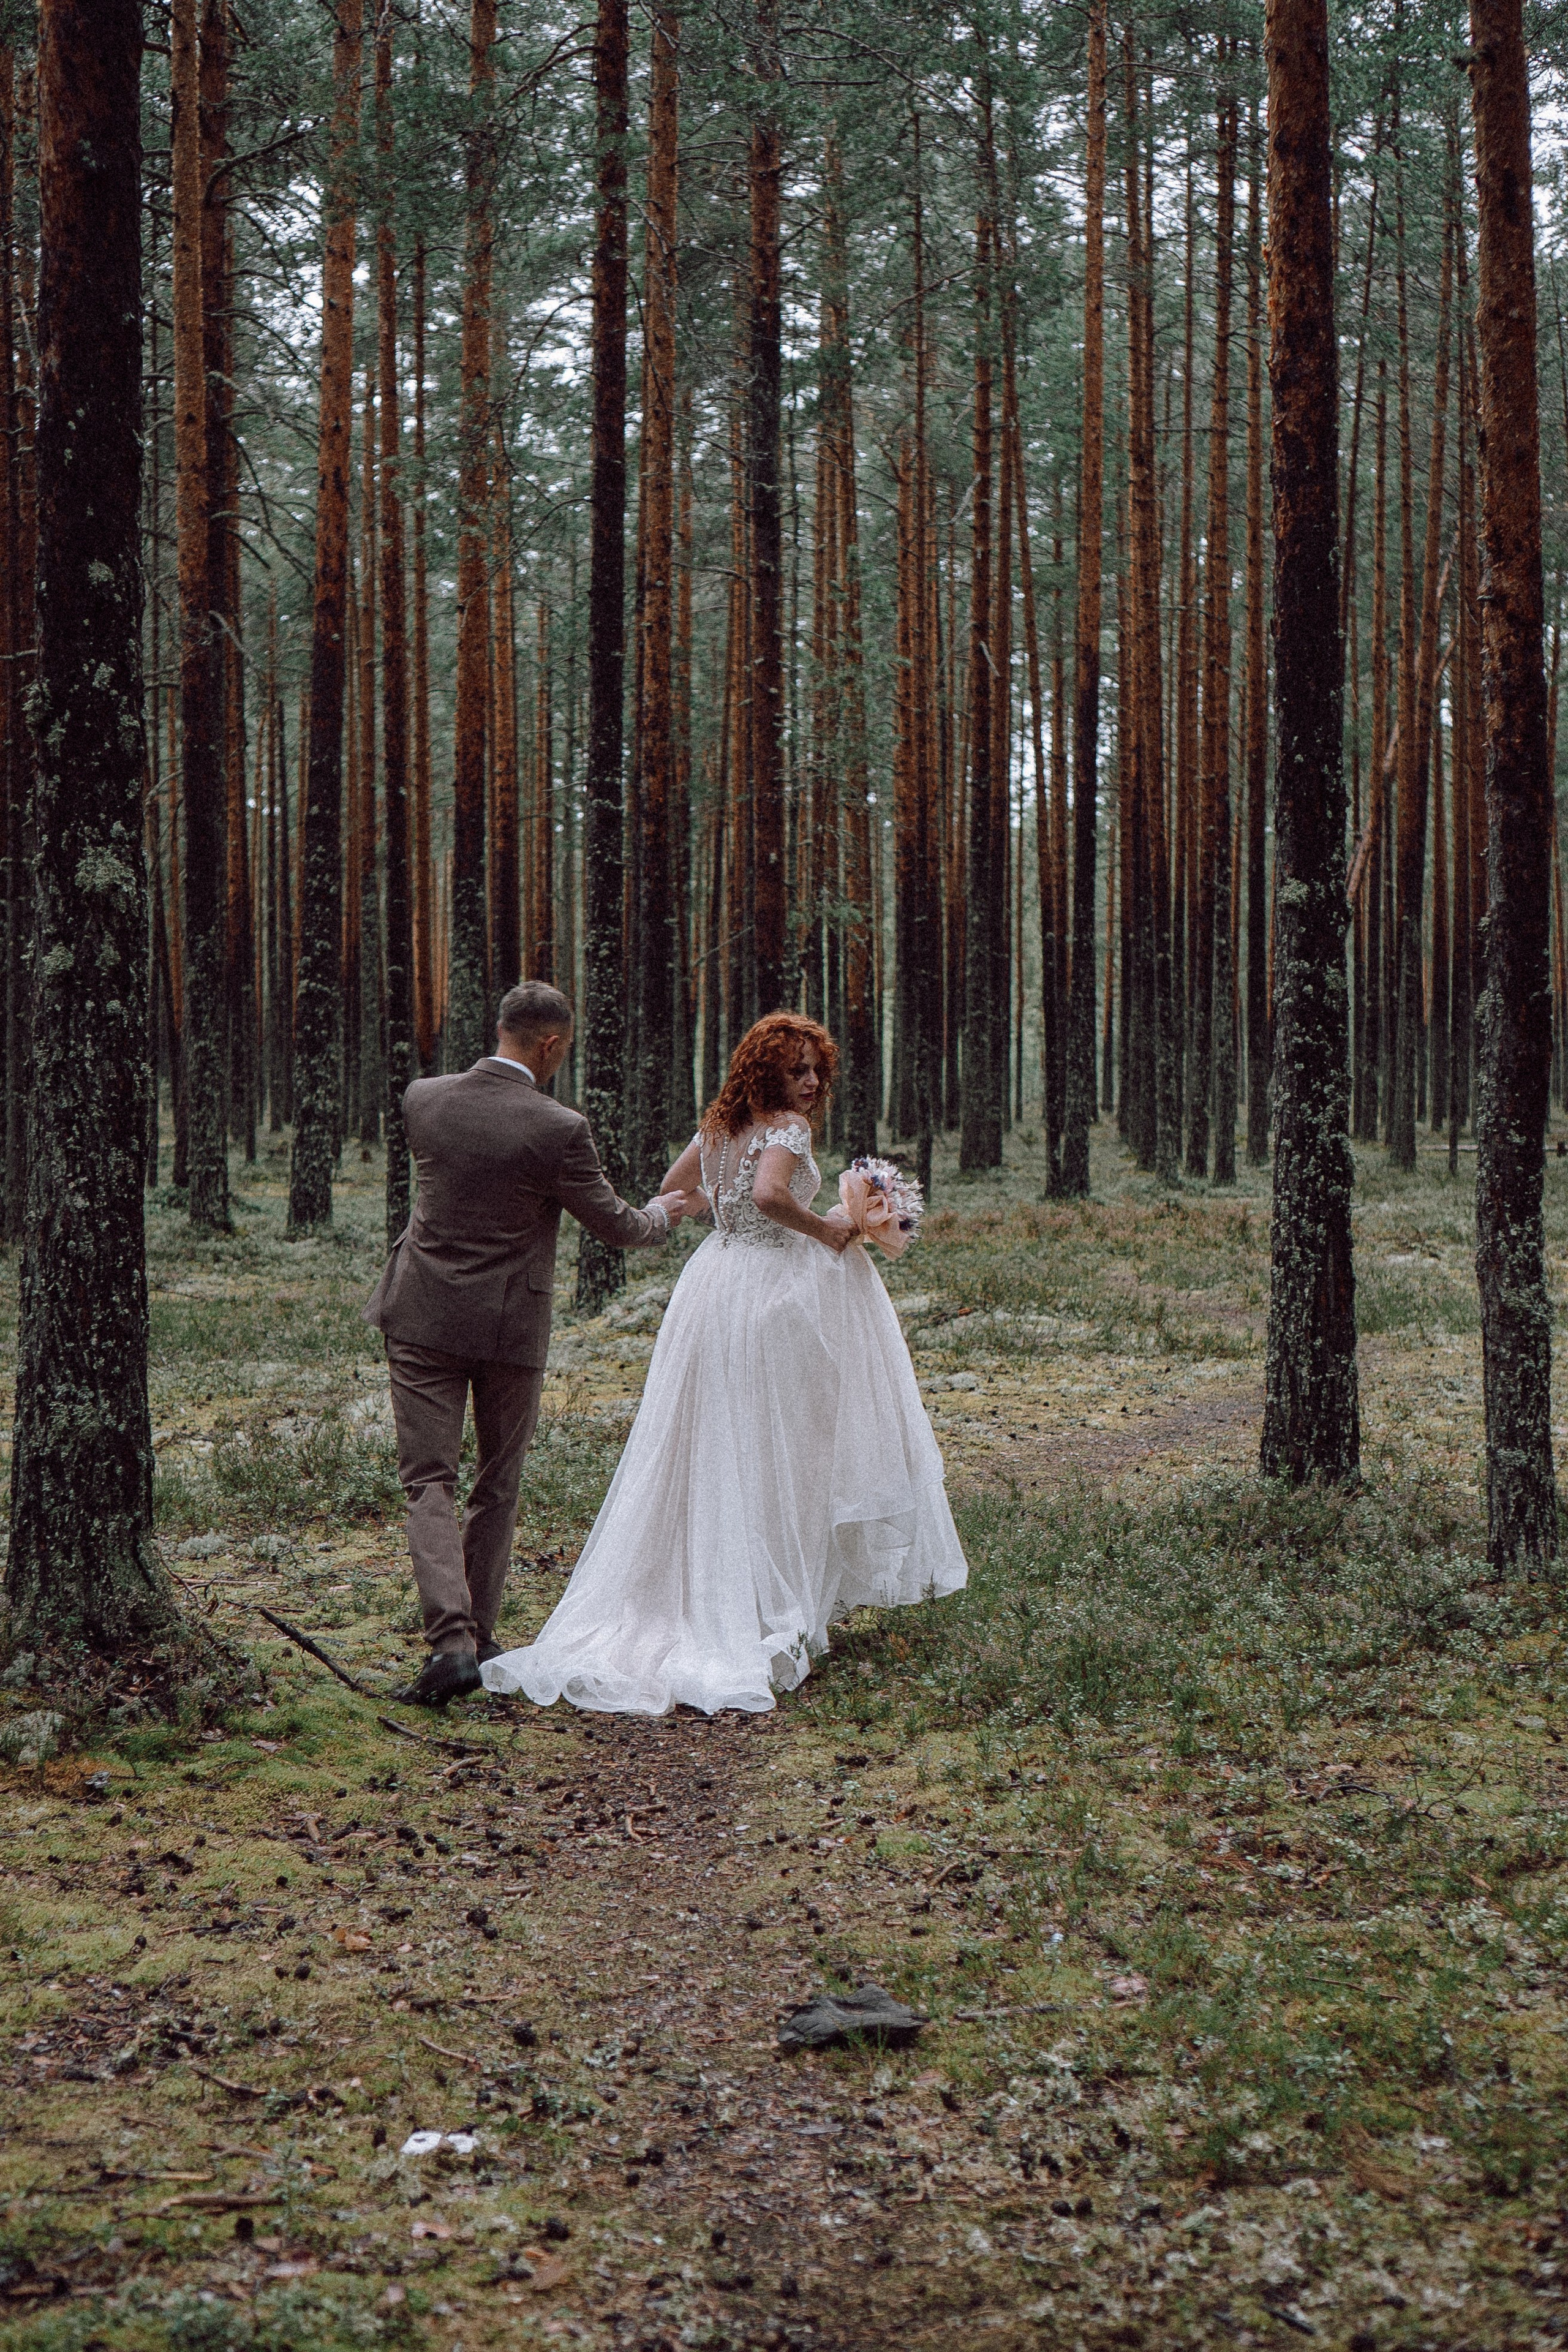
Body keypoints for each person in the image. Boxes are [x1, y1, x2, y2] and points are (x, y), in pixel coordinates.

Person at [482, 1012, 968, 1716]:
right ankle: (765, 1605)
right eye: (795, 1069)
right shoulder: (787, 1131)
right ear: (766, 1070)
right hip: (772, 1291)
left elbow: (680, 1189)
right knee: (779, 1443)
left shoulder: (718, 1126)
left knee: (718, 1439)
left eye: (814, 1070)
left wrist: (717, 1210)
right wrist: (828, 1229)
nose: (807, 1083)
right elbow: (772, 1196)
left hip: (714, 1285)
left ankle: (733, 1590)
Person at [365, 980, 687, 1707]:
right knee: (496, 1484)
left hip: (419, 1314)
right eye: (562, 1049)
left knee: (428, 1481)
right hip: (509, 1328)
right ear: (549, 1044)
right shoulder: (558, 1128)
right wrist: (665, 1212)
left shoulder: (424, 1098)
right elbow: (615, 1225)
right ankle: (475, 1635)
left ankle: (454, 1645)